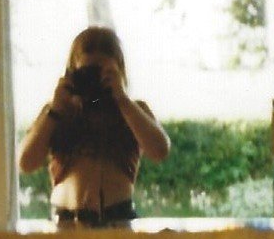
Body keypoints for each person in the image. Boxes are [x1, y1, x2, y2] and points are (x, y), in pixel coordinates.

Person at [16, 25, 171, 228]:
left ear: (118, 71)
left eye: (103, 73)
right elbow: (26, 163)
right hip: (66, 222)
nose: (95, 81)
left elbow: (160, 150)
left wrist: (122, 99)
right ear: (72, 71)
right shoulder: (57, 112)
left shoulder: (133, 110)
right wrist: (55, 110)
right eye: (87, 73)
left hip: (117, 220)